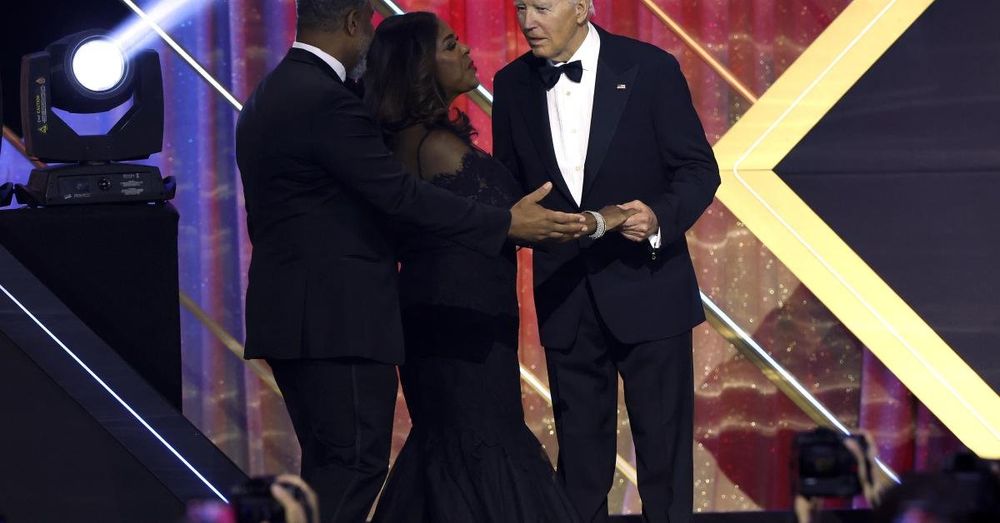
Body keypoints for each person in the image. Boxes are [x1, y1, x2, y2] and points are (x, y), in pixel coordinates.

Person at [235, 1, 588, 521]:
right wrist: (504, 223)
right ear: (355, 22)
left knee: (336, 464)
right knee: (352, 465)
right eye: (370, 27)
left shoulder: (275, 92)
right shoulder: (325, 100)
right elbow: (399, 196)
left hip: (301, 317)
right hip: (337, 321)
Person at [360, 12, 632, 522]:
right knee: (479, 443)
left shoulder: (419, 141)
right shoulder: (435, 149)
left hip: (456, 316)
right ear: (420, 68)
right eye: (448, 44)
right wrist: (608, 219)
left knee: (458, 446)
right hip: (458, 325)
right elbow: (516, 223)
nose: (464, 50)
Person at [492, 1, 721, 521]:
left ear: (582, 7)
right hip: (565, 292)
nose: (528, 21)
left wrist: (659, 216)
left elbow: (697, 169)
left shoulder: (651, 68)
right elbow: (509, 185)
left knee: (663, 458)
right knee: (580, 462)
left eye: (542, 7)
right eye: (520, 7)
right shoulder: (511, 84)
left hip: (649, 287)